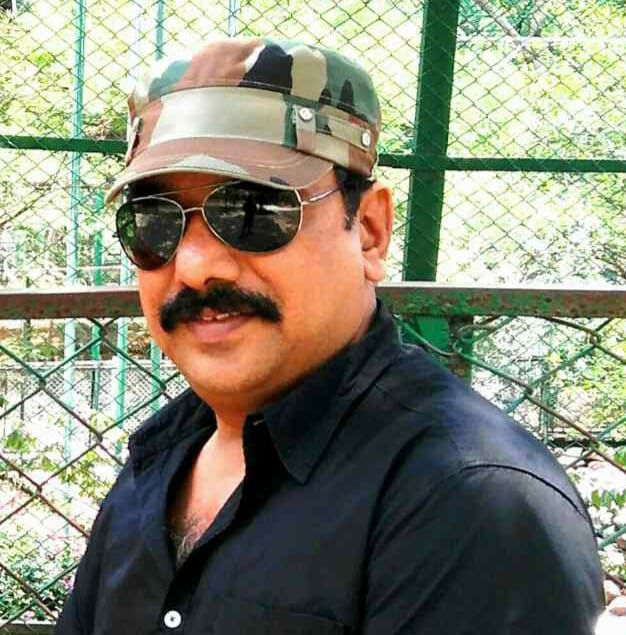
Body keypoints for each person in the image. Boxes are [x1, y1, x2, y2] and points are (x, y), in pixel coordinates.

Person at [55, 36, 604, 635]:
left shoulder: (467, 503)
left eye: (254, 212)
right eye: (155, 220)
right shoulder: (161, 461)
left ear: (368, 230)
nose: (194, 266)